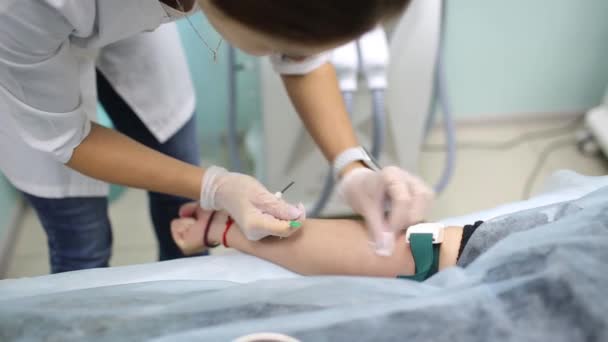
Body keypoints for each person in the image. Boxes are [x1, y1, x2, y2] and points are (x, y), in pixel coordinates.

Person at [0, 0, 433, 273]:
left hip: (121, 26)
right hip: (23, 62)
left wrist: (351, 168)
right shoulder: (25, 9)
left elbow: (303, 45)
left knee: (183, 202)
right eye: (279, 42)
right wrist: (216, 185)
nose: (291, 55)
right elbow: (67, 138)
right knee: (82, 242)